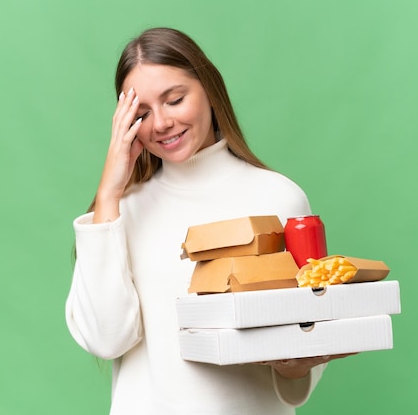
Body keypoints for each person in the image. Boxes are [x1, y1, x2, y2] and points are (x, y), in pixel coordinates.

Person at [65, 27, 350, 415]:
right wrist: (108, 194)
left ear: (210, 91)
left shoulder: (280, 198)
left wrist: (296, 364)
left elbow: (306, 336)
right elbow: (105, 339)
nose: (162, 123)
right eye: (143, 113)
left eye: (175, 99)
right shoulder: (118, 213)